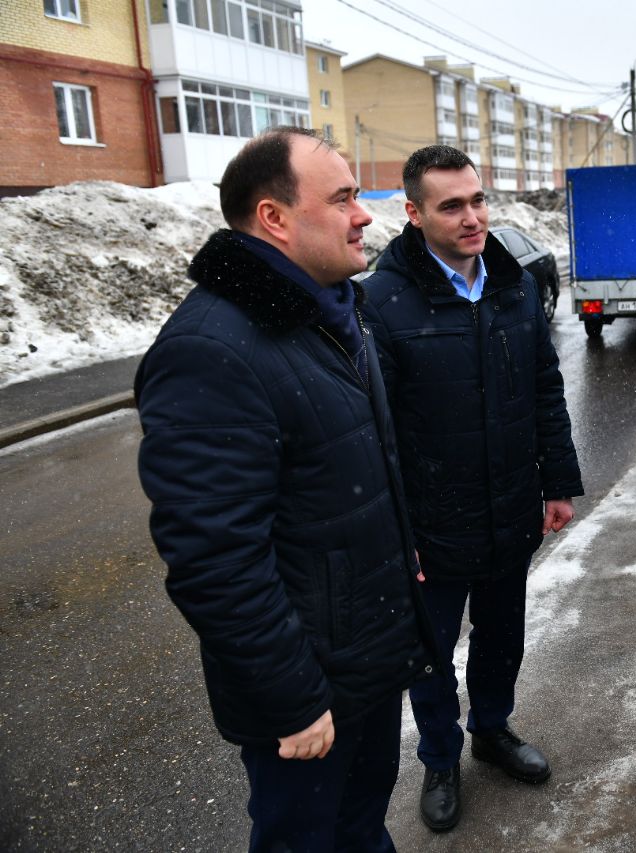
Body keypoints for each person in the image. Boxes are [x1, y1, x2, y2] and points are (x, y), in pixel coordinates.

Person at [135, 127, 436, 852]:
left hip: (364, 658)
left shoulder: (331, 311)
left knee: (362, 828)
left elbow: (354, 473)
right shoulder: (210, 349)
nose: (363, 216)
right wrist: (292, 699)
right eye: (342, 199)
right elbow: (214, 560)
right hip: (308, 691)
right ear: (274, 217)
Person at [361, 145, 583, 833]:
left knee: (502, 633)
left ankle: (491, 728)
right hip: (432, 520)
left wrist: (557, 481)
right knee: (430, 652)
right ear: (414, 213)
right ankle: (440, 758)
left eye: (478, 200)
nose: (472, 217)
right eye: (451, 205)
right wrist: (397, 532)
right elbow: (375, 432)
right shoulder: (382, 300)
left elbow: (545, 386)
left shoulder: (512, 284)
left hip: (509, 504)